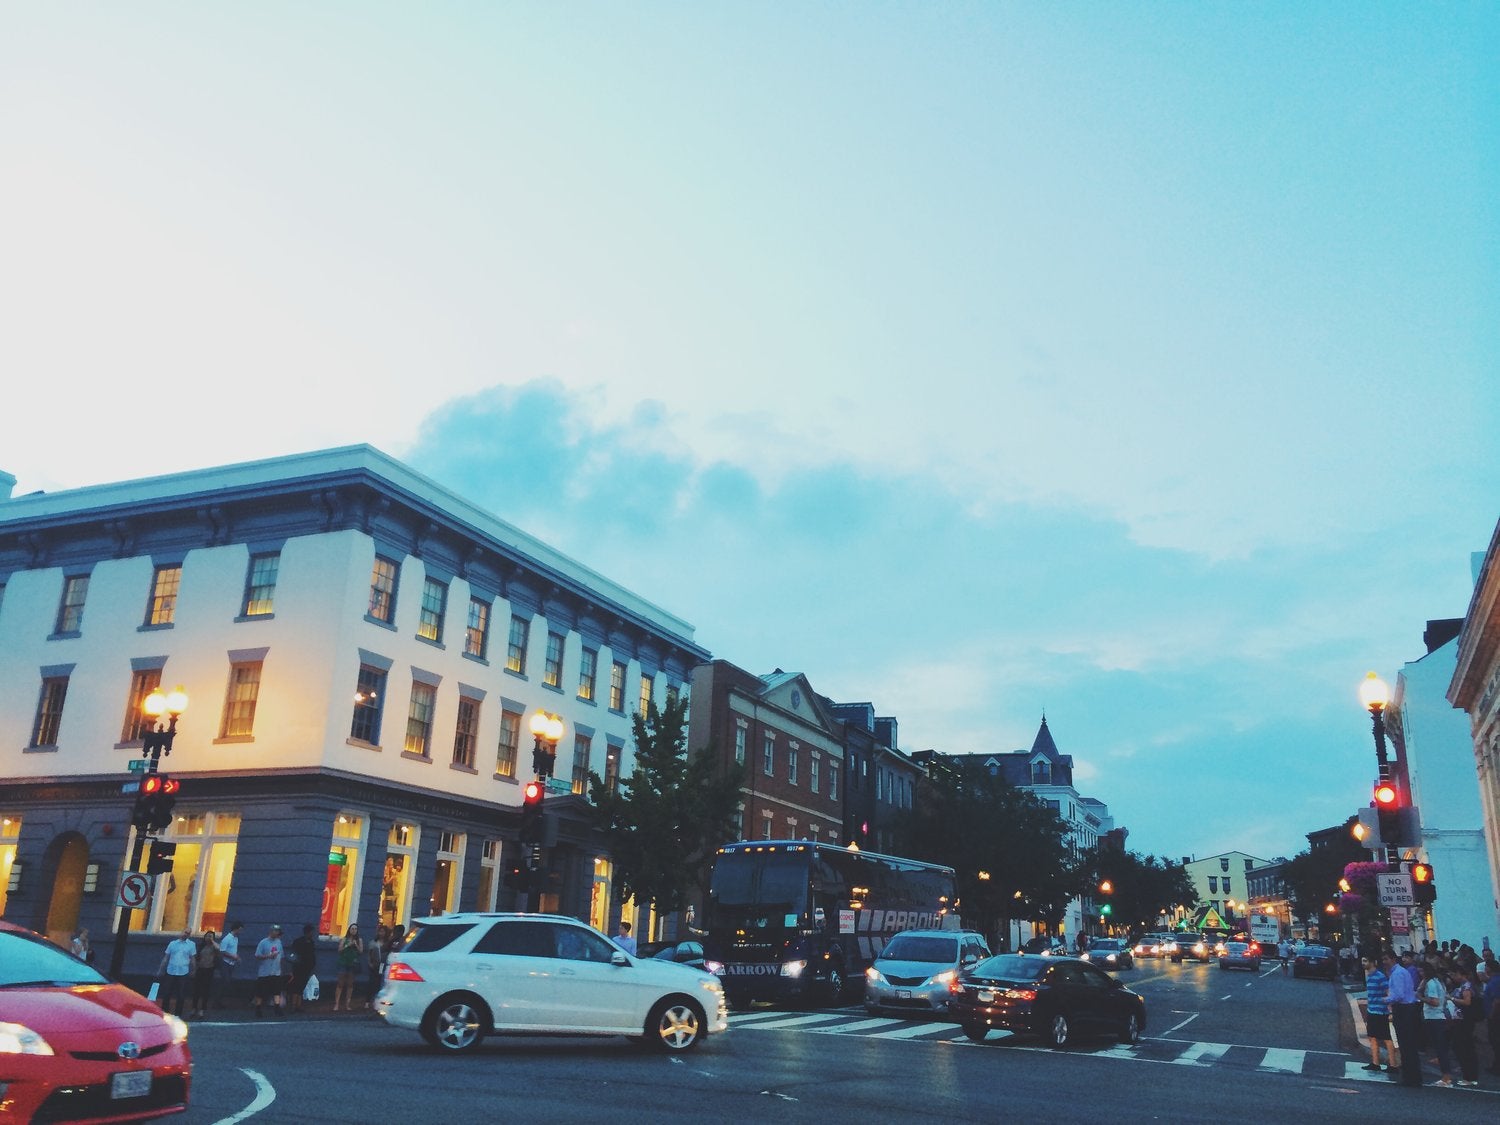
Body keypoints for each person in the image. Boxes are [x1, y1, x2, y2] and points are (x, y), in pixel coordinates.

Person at [1385, 949, 1423, 1087]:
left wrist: (1386, 999)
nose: (1384, 962)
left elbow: (1399, 994)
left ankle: (1411, 1077)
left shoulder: (1398, 973)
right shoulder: (1400, 972)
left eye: (1386, 959)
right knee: (1407, 1044)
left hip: (1403, 1009)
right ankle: (1412, 1076)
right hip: (1405, 1008)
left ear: (1393, 959)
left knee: (1406, 1044)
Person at [1359, 955, 1399, 1074]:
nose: (1363, 964)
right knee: (1372, 1037)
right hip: (1372, 1010)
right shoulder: (1368, 976)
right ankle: (1375, 1063)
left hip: (1380, 1011)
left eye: (1365, 961)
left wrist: (1390, 1010)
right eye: (1362, 961)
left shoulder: (1380, 977)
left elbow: (1388, 993)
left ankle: (1393, 1065)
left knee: (1386, 1038)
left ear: (1373, 962)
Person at [1421, 960, 1455, 1086]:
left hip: (1434, 1017)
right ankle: (1445, 1075)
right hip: (1438, 1016)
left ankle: (1446, 1077)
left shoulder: (1431, 984)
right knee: (1441, 1047)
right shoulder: (1438, 982)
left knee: (1440, 1047)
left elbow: (1434, 1002)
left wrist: (1421, 998)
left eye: (1421, 971)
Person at [1448, 963, 1482, 1086]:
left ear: (1458, 974)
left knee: (1463, 1047)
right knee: (1462, 1046)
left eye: (1453, 975)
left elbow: (1467, 1002)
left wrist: (1452, 999)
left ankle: (1469, 1076)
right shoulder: (1463, 985)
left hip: (1464, 1020)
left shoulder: (1466, 986)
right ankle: (1468, 1074)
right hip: (1460, 1020)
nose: (1452, 977)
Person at [156, 927, 197, 1017]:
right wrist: (161, 969)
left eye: (188, 933)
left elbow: (193, 959)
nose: (186, 934)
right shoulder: (172, 944)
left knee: (181, 994)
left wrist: (193, 970)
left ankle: (178, 1013)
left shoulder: (191, 945)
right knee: (167, 992)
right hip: (171, 970)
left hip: (183, 972)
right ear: (181, 932)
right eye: (185, 932)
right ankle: (165, 1012)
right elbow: (166, 957)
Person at [252, 924, 286, 1018]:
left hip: (276, 971)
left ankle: (277, 1007)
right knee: (261, 991)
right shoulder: (263, 942)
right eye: (277, 932)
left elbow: (281, 956)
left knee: (277, 991)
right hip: (264, 972)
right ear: (271, 932)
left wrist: (281, 968)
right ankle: (258, 1008)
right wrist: (268, 956)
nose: (278, 934)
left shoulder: (279, 942)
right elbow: (257, 955)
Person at [190, 929, 220, 1018]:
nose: (208, 938)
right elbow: (196, 957)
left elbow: (218, 948)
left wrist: (212, 941)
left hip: (209, 969)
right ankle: (194, 1008)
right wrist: (194, 969)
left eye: (211, 936)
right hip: (200, 969)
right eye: (207, 936)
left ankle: (202, 1010)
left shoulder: (214, 946)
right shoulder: (201, 946)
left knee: (205, 990)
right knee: (196, 990)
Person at [288, 924, 317, 1013]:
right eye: (311, 932)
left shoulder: (310, 942)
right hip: (299, 967)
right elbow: (295, 954)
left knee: (301, 986)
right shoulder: (299, 942)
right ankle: (294, 1005)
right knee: (297, 986)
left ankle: (298, 1005)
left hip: (306, 967)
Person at [334, 923, 363, 1011]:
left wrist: (356, 945)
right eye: (352, 929)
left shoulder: (359, 940)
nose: (353, 930)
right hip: (343, 962)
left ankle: (347, 1004)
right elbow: (339, 950)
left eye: (355, 929)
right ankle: (336, 1004)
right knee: (340, 983)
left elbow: (361, 951)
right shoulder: (344, 939)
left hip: (353, 963)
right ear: (349, 930)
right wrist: (347, 945)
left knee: (350, 984)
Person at [216, 921, 243, 1008]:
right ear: (235, 929)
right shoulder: (227, 939)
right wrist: (234, 957)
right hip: (225, 962)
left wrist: (236, 957)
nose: (240, 932)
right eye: (240, 930)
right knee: (225, 981)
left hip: (231, 963)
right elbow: (222, 951)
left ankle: (220, 1001)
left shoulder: (236, 938)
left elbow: (233, 950)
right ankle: (217, 1001)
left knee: (226, 982)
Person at [366, 923, 389, 1008]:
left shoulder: (387, 943)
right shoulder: (373, 943)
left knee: (380, 983)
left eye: (383, 931)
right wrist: (370, 963)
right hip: (374, 965)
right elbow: (369, 954)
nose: (381, 933)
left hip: (383, 965)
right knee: (371, 983)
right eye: (380, 931)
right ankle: (367, 1001)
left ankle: (377, 1001)